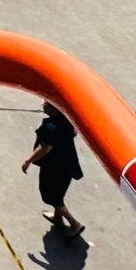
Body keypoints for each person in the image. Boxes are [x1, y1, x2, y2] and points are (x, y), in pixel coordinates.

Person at [22, 102, 85, 238]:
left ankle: (75, 224)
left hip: (54, 167)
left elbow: (45, 148)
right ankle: (58, 219)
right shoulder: (66, 119)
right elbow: (74, 132)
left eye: (45, 104)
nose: (42, 104)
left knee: (50, 195)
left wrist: (28, 161)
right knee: (58, 193)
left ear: (52, 109)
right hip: (68, 165)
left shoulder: (49, 128)